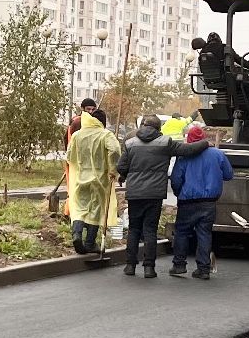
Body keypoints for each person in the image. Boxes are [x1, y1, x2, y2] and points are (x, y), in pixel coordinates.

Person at [116, 115, 209, 277]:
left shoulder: (130, 143)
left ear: (142, 126)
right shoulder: (165, 143)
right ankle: (149, 268)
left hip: (135, 193)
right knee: (150, 230)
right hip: (154, 194)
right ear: (159, 128)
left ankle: (130, 266)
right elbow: (188, 150)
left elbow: (121, 166)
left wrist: (126, 174)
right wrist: (205, 143)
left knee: (134, 229)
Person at [168, 125, 235, 280]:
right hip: (209, 203)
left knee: (182, 233)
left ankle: (179, 265)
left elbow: (176, 179)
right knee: (204, 233)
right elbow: (229, 174)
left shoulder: (184, 156)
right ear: (203, 138)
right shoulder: (217, 154)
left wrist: (179, 193)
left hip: (187, 201)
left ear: (189, 140)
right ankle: (204, 269)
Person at [66, 110, 121, 255]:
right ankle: (90, 243)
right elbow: (115, 150)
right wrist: (113, 170)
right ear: (103, 122)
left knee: (80, 208)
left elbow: (69, 156)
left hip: (81, 177)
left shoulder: (77, 135)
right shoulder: (106, 135)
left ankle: (77, 234)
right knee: (96, 210)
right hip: (99, 179)